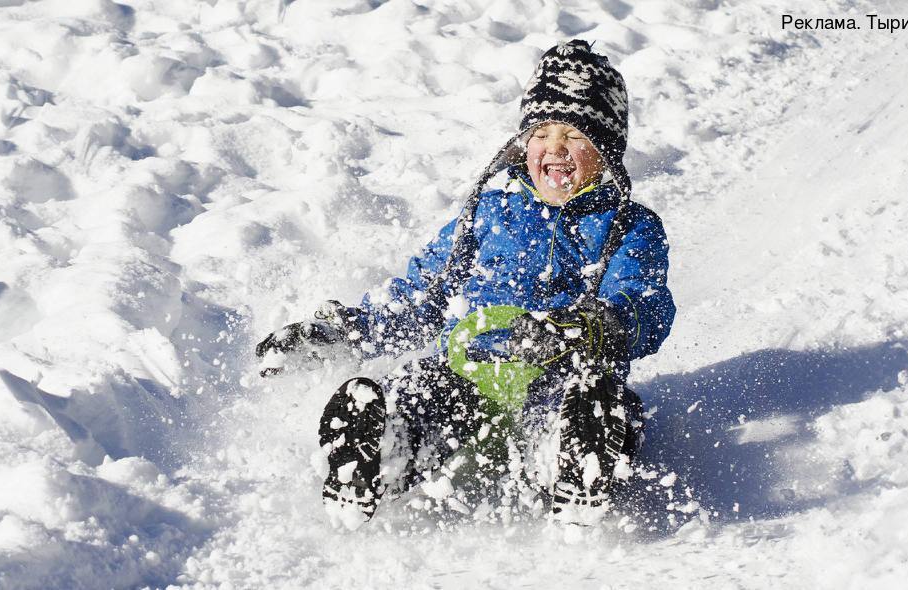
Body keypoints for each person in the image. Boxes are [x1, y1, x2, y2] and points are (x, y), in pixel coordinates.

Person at [255, 40, 674, 526]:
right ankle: (381, 449)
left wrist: (600, 324)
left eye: (574, 134)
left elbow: (646, 299)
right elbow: (420, 298)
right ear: (523, 145)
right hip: (465, 371)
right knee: (415, 390)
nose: (555, 147)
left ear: (606, 149)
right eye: (541, 132)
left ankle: (571, 458)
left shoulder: (629, 226)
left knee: (600, 400)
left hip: (560, 374)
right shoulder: (487, 217)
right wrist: (342, 330)